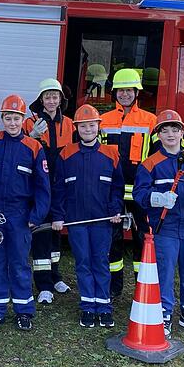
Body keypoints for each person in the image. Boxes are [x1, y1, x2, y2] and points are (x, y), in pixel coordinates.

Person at [0, 94, 50, 332]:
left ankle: (23, 311)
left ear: (23, 119)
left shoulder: (34, 147)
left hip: (19, 215)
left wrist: (35, 217)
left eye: (16, 118)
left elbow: (43, 186)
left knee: (19, 264)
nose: (12, 123)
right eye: (8, 118)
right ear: (2, 118)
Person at [133, 109, 184, 339]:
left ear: (181, 133)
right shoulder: (150, 163)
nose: (170, 134)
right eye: (165, 130)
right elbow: (139, 193)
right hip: (164, 228)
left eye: (175, 129)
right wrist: (157, 198)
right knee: (165, 273)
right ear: (158, 135)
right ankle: (164, 315)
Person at [50, 104, 124, 328]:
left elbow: (117, 187)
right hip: (76, 221)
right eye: (83, 126)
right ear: (77, 129)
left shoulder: (111, 153)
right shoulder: (66, 154)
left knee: (100, 262)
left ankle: (104, 306)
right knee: (83, 262)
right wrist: (58, 215)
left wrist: (115, 210)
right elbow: (59, 189)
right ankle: (87, 306)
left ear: (98, 127)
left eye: (92, 125)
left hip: (102, 221)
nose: (88, 129)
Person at [99, 68, 157, 298]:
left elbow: (155, 157)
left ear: (136, 92)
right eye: (121, 90)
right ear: (115, 93)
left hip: (140, 191)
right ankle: (114, 287)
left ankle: (141, 286)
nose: (125, 94)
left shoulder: (150, 121)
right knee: (112, 238)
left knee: (142, 237)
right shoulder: (103, 121)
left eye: (129, 90)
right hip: (112, 191)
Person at [22, 78, 75, 304]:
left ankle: (55, 276)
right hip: (39, 186)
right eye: (47, 96)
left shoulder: (70, 124)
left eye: (55, 96)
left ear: (61, 100)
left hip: (61, 186)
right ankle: (43, 284)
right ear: (41, 99)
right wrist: (31, 135)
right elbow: (20, 150)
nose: (51, 100)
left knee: (56, 231)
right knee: (42, 233)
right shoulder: (28, 123)